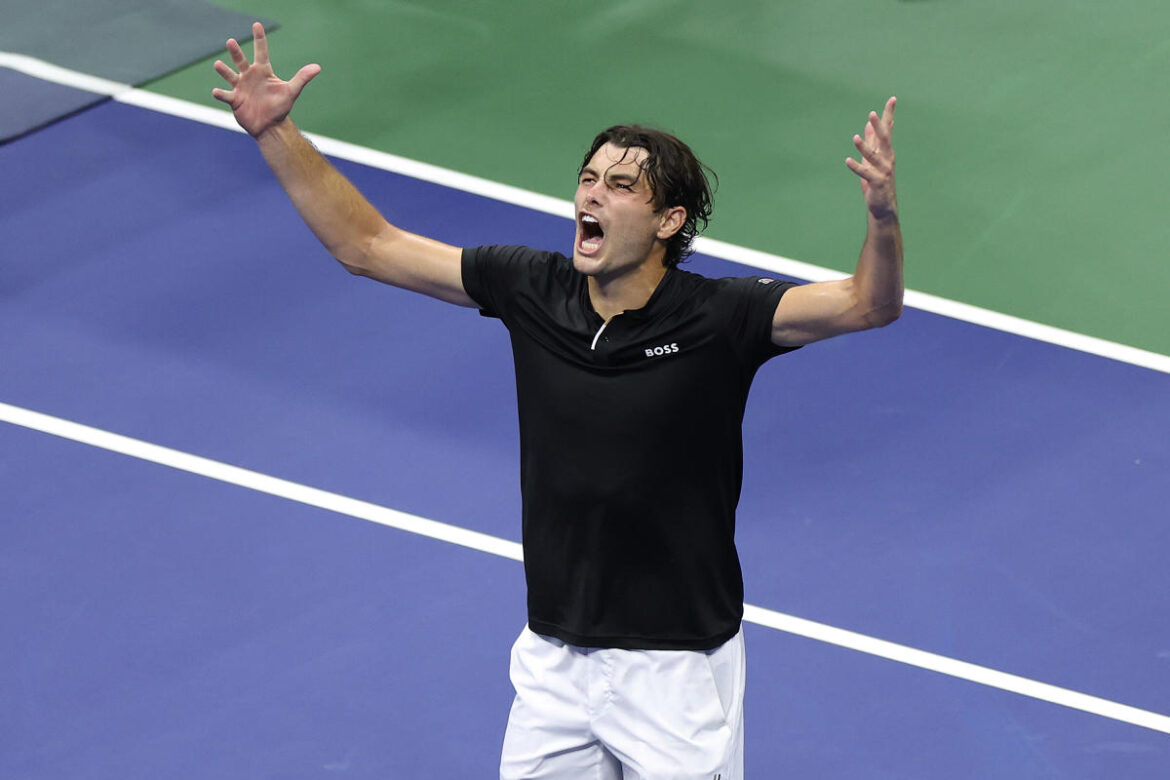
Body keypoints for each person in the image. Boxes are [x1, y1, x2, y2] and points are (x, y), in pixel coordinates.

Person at [213, 22, 903, 779]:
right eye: (588, 178)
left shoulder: (721, 317)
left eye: (620, 186)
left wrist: (880, 217)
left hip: (674, 668)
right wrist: (276, 132)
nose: (591, 194)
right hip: (554, 654)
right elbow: (367, 246)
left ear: (669, 222)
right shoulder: (530, 286)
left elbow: (868, 304)